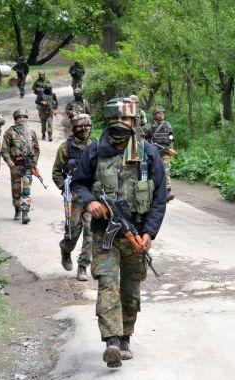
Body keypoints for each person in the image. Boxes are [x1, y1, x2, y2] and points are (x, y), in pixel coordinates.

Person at [70, 97, 167, 368]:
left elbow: (159, 197)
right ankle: (111, 341)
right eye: (116, 119)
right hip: (104, 234)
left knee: (130, 289)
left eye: (126, 120)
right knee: (108, 282)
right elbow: (78, 183)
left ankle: (125, 337)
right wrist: (90, 201)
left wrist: (150, 233)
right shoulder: (94, 152)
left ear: (134, 122)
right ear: (108, 121)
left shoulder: (148, 153)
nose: (121, 124)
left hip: (137, 233)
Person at [52, 114, 94, 281]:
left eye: (86, 126)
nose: (83, 130)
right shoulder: (65, 148)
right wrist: (64, 187)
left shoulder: (96, 146)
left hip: (91, 196)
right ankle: (65, 249)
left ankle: (83, 267)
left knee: (90, 232)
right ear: (74, 128)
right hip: (74, 197)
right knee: (73, 232)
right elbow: (56, 172)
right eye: (80, 127)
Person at [1, 109, 40, 224]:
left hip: (28, 167)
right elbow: (4, 149)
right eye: (19, 117)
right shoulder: (10, 132)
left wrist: (34, 163)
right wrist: (8, 160)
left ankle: (25, 213)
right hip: (16, 166)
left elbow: (37, 150)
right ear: (15, 119)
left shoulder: (32, 132)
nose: (22, 119)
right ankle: (17, 209)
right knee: (16, 190)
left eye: (24, 117)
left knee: (26, 190)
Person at [141, 106, 175, 201]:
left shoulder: (167, 125)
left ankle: (167, 192)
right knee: (152, 171)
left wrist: (171, 147)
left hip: (165, 152)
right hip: (153, 152)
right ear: (154, 115)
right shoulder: (149, 125)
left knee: (166, 170)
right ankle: (152, 191)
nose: (159, 114)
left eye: (161, 113)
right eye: (157, 113)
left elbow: (171, 137)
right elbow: (141, 134)